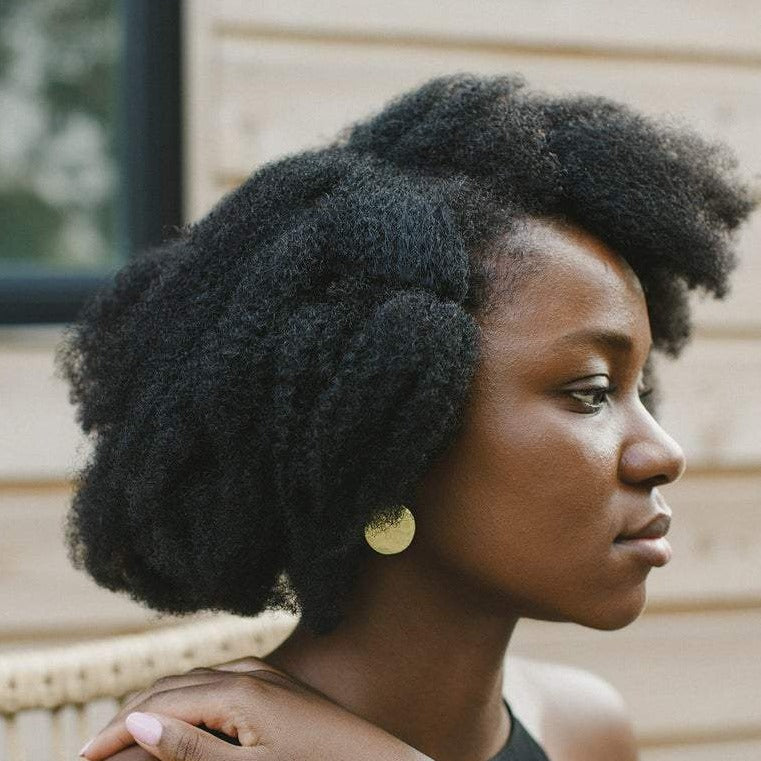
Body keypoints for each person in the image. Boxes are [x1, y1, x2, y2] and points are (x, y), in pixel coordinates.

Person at [57, 72, 757, 761]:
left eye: (640, 388)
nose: (661, 452)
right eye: (590, 390)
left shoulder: (584, 728)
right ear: (391, 434)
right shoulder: (182, 754)